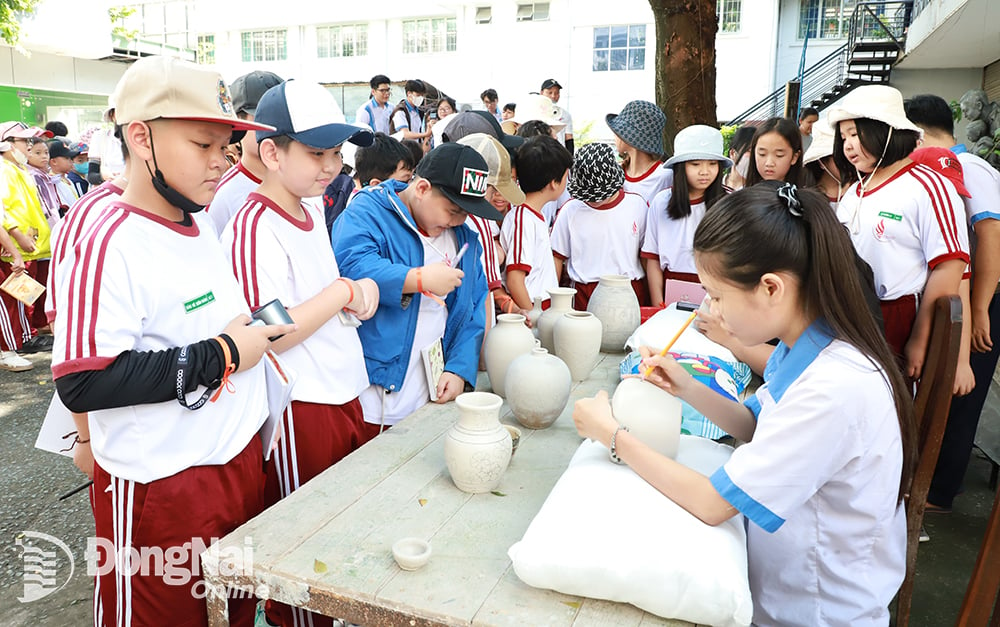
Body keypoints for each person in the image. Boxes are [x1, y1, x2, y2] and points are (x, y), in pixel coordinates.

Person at [573, 182, 916, 625]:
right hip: (779, 591)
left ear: (771, 287)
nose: (712, 311)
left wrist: (611, 434)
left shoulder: (836, 387)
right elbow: (757, 426)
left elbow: (712, 503)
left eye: (717, 296)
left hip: (814, 613)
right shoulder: (808, 347)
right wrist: (686, 386)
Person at [50, 55, 290, 627]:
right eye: (202, 145)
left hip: (232, 468)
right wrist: (226, 354)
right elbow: (84, 380)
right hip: (163, 492)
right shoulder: (109, 237)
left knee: (226, 614)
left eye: (227, 147)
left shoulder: (199, 220)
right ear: (141, 137)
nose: (220, 163)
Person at [222, 79, 378, 627]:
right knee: (303, 560)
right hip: (298, 406)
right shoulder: (252, 224)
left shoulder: (310, 209)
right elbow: (266, 330)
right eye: (316, 153)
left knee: (337, 542)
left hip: (340, 390)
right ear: (271, 151)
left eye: (336, 153)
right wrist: (341, 292)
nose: (331, 165)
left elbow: (309, 299)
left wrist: (349, 298)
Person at [332, 143, 495, 433]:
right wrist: (417, 279)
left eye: (466, 213)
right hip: (370, 393)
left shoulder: (464, 240)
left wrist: (459, 368)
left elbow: (472, 310)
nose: (457, 221)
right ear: (421, 189)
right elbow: (352, 265)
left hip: (429, 392)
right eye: (453, 210)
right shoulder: (369, 209)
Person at [829, 85, 971, 392]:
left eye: (855, 134)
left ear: (885, 130)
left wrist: (920, 337)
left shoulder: (930, 186)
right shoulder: (855, 191)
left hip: (898, 319)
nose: (849, 146)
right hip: (848, 314)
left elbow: (951, 264)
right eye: (843, 138)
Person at [905, 93, 1000, 514]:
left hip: (983, 296)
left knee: (963, 393)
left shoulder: (970, 169)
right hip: (964, 293)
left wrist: (980, 310)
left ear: (919, 133)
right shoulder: (932, 169)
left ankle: (942, 492)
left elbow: (990, 240)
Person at [549, 142, 648, 310]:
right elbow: (556, 257)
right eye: (589, 196)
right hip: (583, 293)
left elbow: (646, 255)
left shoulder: (636, 205)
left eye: (600, 196)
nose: (594, 201)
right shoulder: (570, 210)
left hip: (629, 290)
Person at [642, 125, 729, 307]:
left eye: (712, 164)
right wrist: (658, 303)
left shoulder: (729, 204)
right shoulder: (661, 202)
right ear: (681, 167)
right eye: (695, 164)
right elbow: (653, 259)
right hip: (669, 290)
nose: (705, 171)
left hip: (716, 292)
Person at [205, 69, 283, 236]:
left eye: (282, 120)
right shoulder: (223, 194)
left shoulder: (302, 182)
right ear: (239, 122)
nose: (275, 129)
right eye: (265, 119)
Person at [0, 121, 53, 363]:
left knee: (23, 297)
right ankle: (10, 346)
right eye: (25, 142)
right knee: (11, 298)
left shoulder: (19, 170)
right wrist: (16, 236)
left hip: (26, 245)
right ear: (6, 144)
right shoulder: (2, 170)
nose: (28, 148)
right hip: (11, 246)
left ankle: (24, 336)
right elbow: (4, 211)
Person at [500, 135, 572, 310]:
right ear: (554, 183)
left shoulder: (532, 216)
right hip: (533, 307)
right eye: (565, 176)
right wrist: (533, 317)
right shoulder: (523, 220)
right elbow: (515, 279)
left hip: (544, 305)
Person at [607, 100, 673, 205]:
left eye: (617, 131)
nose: (614, 136)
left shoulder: (666, 177)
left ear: (629, 136)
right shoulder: (615, 173)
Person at [802, 120, 854, 207]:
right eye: (841, 157)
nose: (849, 162)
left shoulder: (860, 188)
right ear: (822, 162)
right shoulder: (807, 200)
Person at [745, 117, 806, 187]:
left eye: (779, 155)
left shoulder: (802, 197)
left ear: (794, 157)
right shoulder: (742, 196)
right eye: (762, 154)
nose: (769, 163)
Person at [389, 79, 431, 143]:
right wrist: (426, 134)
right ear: (409, 93)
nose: (421, 98)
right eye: (418, 95)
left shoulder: (419, 110)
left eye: (422, 95)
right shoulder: (400, 111)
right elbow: (404, 134)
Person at [47, 138, 83, 214]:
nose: (71, 161)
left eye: (71, 158)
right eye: (67, 158)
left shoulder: (67, 179)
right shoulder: (52, 182)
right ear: (54, 161)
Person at [540, 78, 574, 154]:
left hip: (558, 155)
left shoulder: (565, 114)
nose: (553, 96)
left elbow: (569, 138)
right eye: (550, 92)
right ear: (541, 93)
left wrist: (570, 159)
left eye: (556, 93)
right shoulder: (534, 112)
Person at [722, 124, 756, 191]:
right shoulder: (715, 185)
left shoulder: (757, 191)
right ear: (732, 153)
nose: (754, 156)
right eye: (749, 151)